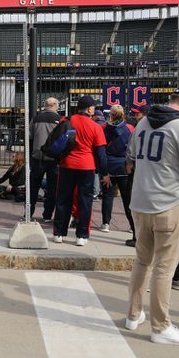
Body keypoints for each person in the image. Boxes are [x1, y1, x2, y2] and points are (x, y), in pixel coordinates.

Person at [124, 87, 179, 346]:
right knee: (164, 268)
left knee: (142, 261)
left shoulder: (144, 121)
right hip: (169, 202)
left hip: (140, 200)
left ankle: (133, 314)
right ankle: (161, 327)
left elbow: (131, 157)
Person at [51, 95, 107, 246]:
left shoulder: (67, 121)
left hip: (66, 164)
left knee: (63, 199)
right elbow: (100, 153)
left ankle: (59, 233)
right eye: (93, 107)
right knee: (85, 201)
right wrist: (104, 172)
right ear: (89, 109)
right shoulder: (95, 126)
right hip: (87, 166)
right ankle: (81, 235)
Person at [101, 105, 135, 235]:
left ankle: (106, 223)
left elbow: (101, 149)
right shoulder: (130, 128)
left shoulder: (104, 128)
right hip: (124, 165)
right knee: (127, 198)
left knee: (108, 196)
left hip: (109, 165)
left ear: (111, 114)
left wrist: (103, 170)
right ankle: (132, 225)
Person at [28, 97, 61, 222]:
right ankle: (47, 215)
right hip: (53, 158)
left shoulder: (36, 118)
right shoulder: (59, 120)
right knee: (52, 188)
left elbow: (29, 136)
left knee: (33, 186)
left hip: (37, 157)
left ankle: (28, 213)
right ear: (55, 105)